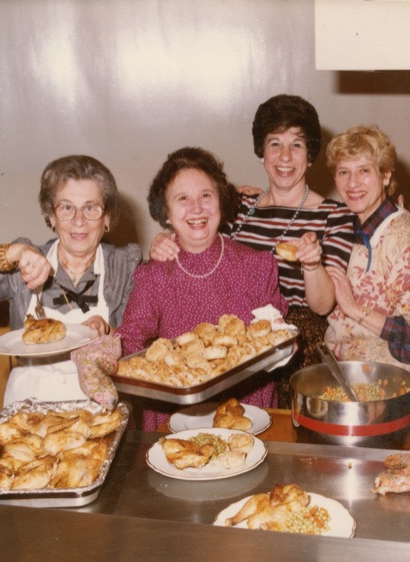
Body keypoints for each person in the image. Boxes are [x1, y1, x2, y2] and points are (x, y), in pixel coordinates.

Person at [150, 94, 355, 403]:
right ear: (262, 151)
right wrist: (164, 240)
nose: (285, 156)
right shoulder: (238, 204)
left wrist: (312, 266)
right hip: (227, 332)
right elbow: (193, 231)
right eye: (275, 143)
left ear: (310, 155)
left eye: (296, 145)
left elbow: (323, 306)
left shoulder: (334, 216)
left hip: (292, 347)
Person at [0, 155, 142, 405]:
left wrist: (108, 332)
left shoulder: (124, 266)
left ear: (108, 217)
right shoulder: (24, 262)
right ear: (51, 216)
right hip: (29, 407)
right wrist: (12, 253)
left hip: (98, 410)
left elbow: (139, 346)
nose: (78, 220)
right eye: (66, 207)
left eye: (91, 207)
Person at [117, 147, 288, 431]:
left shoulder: (257, 265)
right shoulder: (155, 274)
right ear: (167, 213)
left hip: (248, 414)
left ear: (220, 201)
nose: (196, 209)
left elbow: (274, 343)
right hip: (174, 419)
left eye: (206, 196)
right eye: (182, 199)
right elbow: (131, 339)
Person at [323, 125, 410, 386]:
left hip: (386, 385)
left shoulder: (405, 236)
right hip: (343, 376)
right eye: (344, 172)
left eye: (364, 171)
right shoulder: (350, 227)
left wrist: (354, 309)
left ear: (386, 175)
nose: (352, 183)